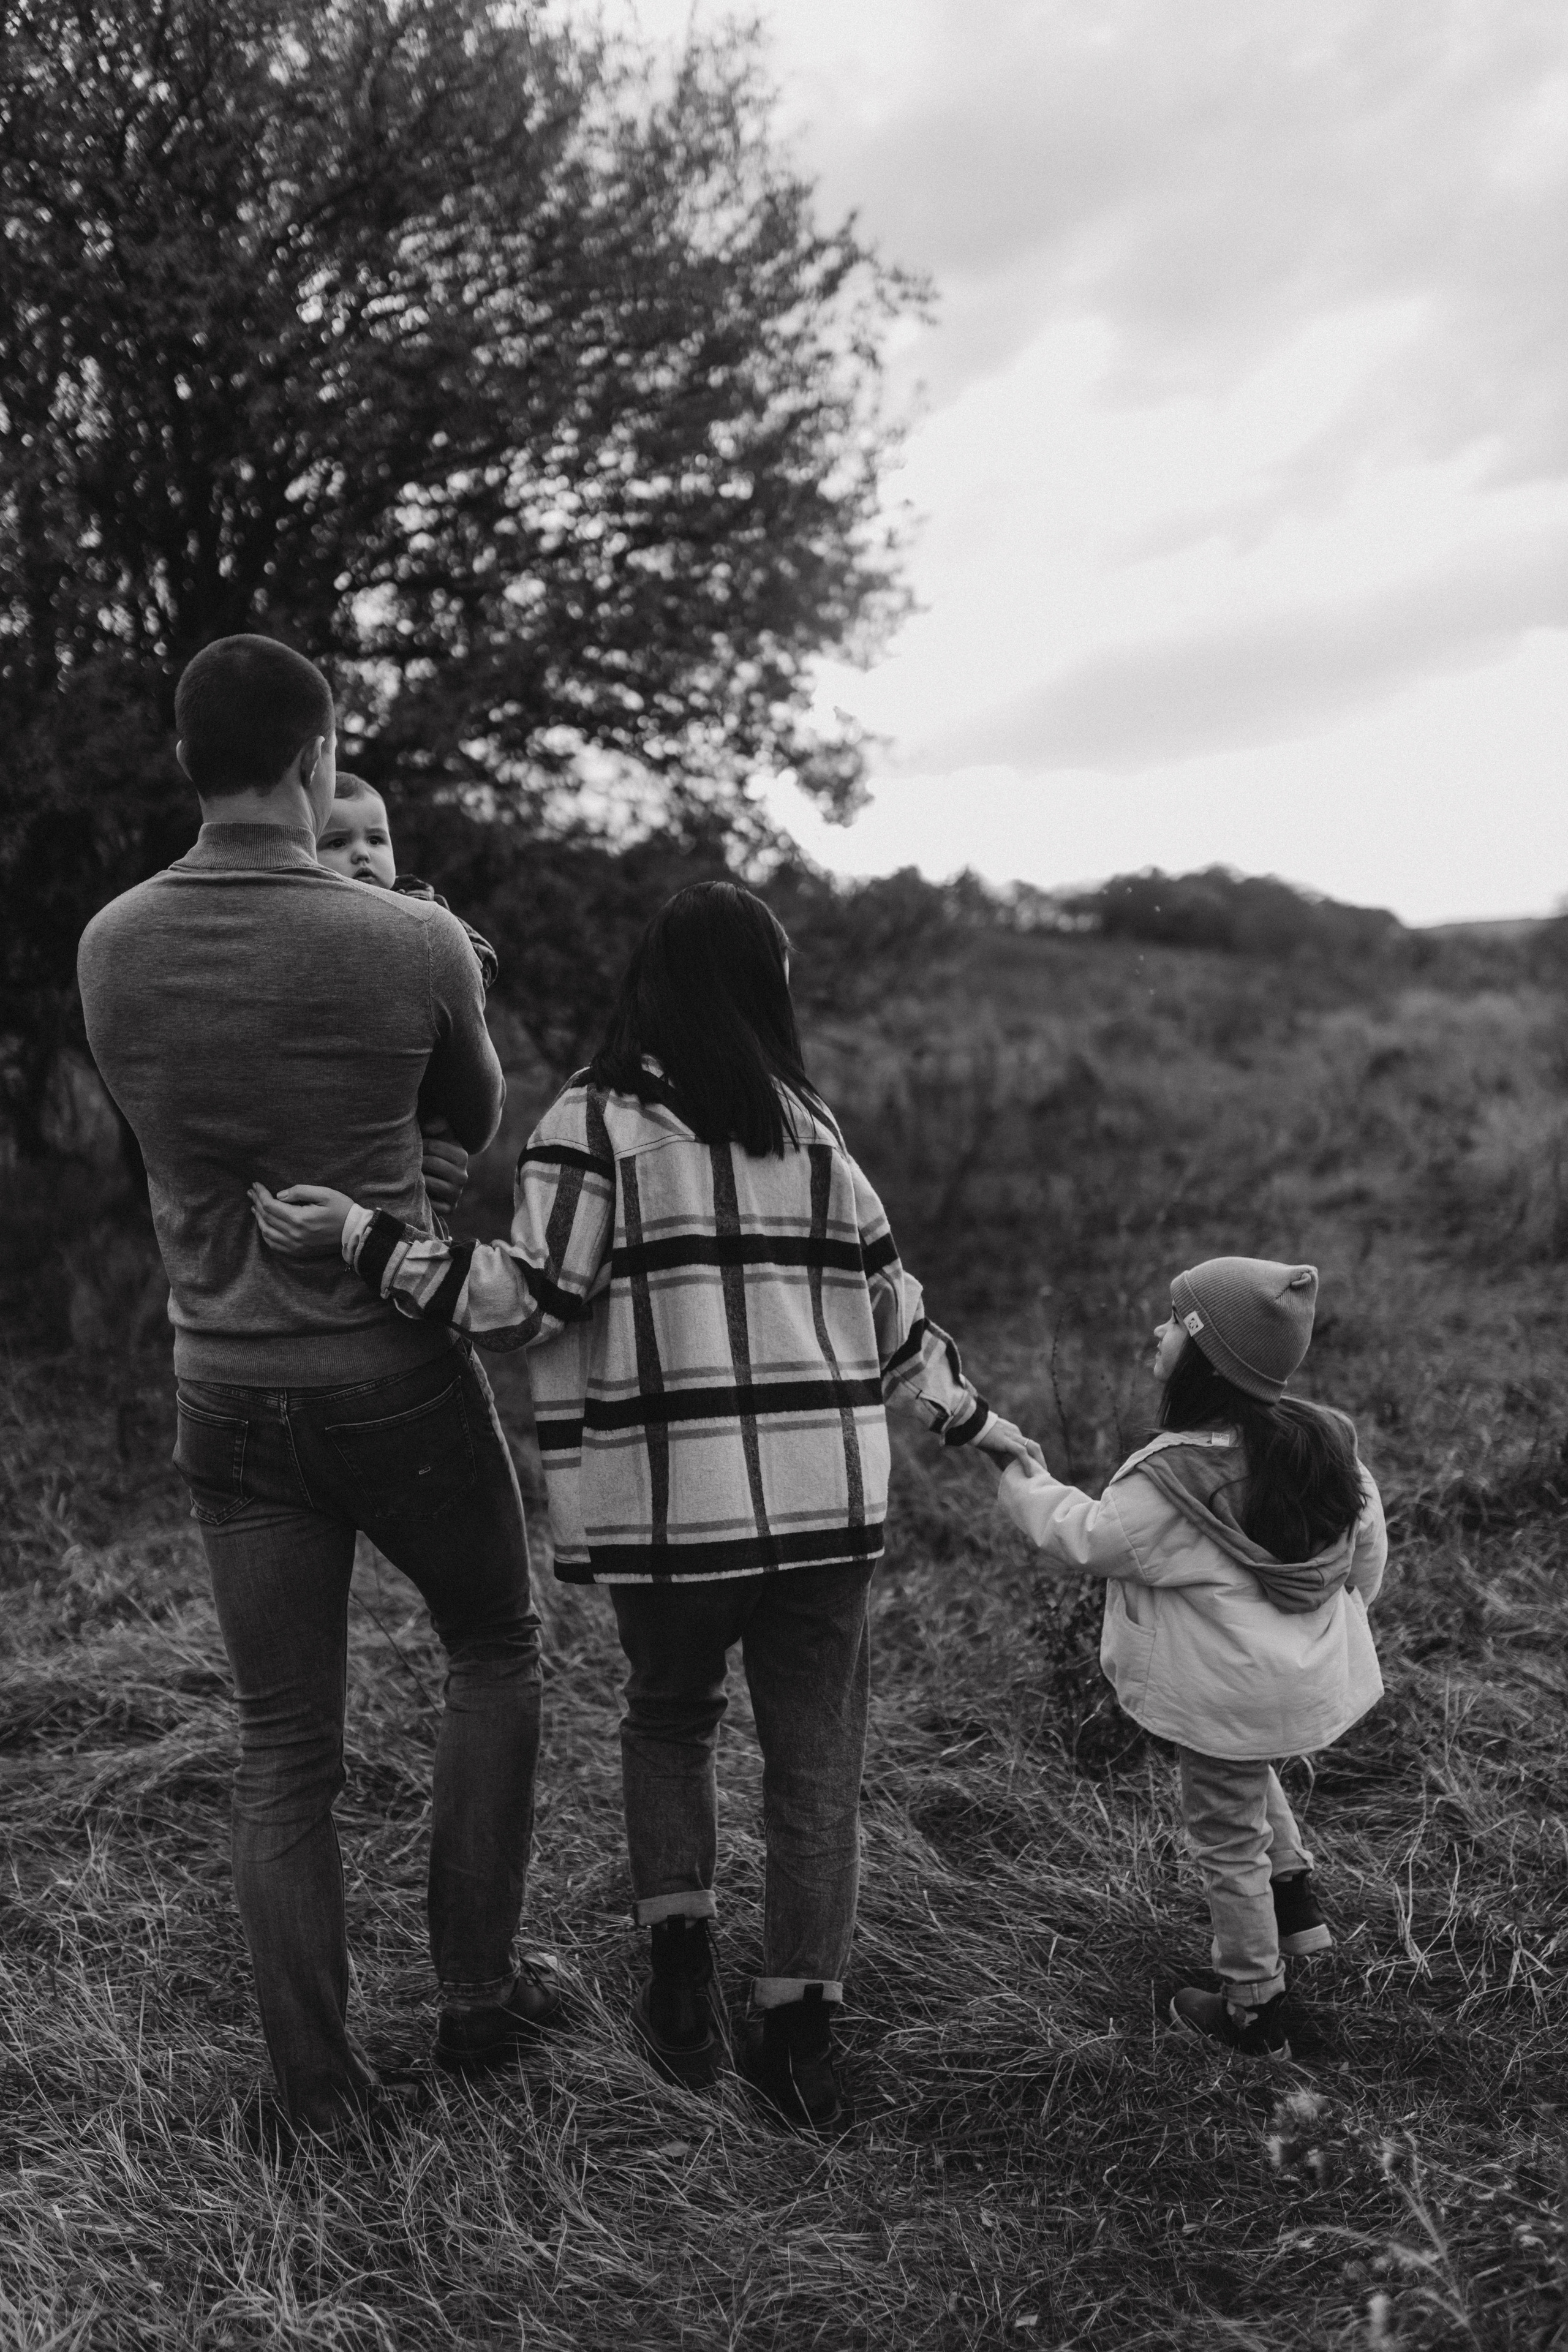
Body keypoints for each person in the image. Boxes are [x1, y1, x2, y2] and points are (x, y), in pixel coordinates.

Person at [250, 880, 1042, 2130]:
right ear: (758, 990)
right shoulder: (814, 1132)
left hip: (678, 1521)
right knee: (815, 1769)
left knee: (669, 1721)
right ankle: (797, 2034)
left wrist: (364, 1239)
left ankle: (679, 1982)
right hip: (825, 1512)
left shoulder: (593, 1122)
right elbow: (897, 1318)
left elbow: (525, 1300)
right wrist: (978, 1427)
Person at [76, 633, 560, 2145]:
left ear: (188, 758)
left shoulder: (109, 944)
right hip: (389, 1378)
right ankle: (477, 1998)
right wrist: (395, 1188)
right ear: (317, 752)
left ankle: (320, 2095)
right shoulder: (405, 941)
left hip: (220, 1384)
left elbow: (151, 1135)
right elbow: (473, 1121)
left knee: (282, 1739)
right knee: (495, 1640)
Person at [995, 1256, 1387, 2056]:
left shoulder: (1172, 1480)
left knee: (1225, 1834)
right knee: (1251, 1767)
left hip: (1226, 1702)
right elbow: (1366, 1554)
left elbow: (1084, 1536)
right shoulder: (1328, 1447)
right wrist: (1322, 1639)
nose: (1157, 1330)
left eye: (1174, 1321)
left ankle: (1252, 2008)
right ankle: (1297, 1908)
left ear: (1209, 1357)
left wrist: (1018, 1475)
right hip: (1302, 1686)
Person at [316, 772, 499, 992]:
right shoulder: (313, 914)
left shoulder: (419, 902)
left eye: (375, 840)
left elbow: (482, 957)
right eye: (338, 843)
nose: (362, 854)